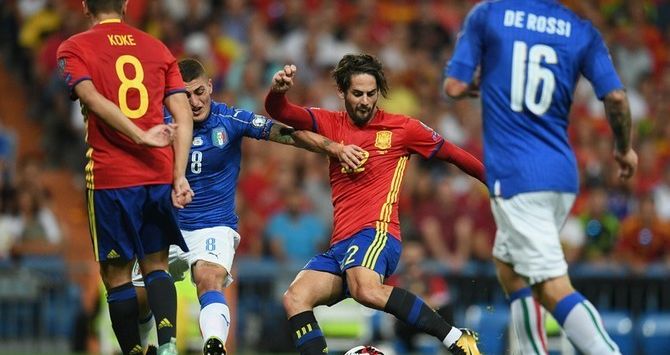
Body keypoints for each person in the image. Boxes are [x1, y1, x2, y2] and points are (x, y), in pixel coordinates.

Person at [132, 58, 365, 355]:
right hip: (168, 225)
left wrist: (333, 147)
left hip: (212, 225)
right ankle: (142, 344)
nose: (194, 101)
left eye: (200, 91)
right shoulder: (161, 124)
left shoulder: (230, 120)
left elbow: (284, 133)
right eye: (185, 95)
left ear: (211, 87)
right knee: (139, 298)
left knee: (209, 277)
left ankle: (214, 344)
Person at [443, 1, 638, 354]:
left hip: (519, 179)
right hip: (561, 175)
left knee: (551, 286)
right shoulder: (581, 31)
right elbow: (617, 97)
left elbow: (455, 85)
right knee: (509, 265)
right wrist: (624, 148)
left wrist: (477, 78)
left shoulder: (488, 15)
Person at [265, 54, 485, 355]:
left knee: (364, 289)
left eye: (371, 93)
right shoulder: (330, 123)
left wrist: (495, 185)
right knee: (295, 297)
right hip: (342, 246)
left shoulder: (403, 128)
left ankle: (457, 338)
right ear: (342, 92)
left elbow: (454, 154)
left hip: (377, 233)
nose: (365, 101)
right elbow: (279, 111)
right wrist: (278, 91)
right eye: (357, 94)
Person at [56, 1, 194, 354]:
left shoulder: (74, 47)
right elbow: (182, 113)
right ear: (127, 4)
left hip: (110, 176)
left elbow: (90, 97)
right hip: (158, 173)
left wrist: (138, 135)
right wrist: (179, 174)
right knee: (156, 265)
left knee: (116, 276)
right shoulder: (157, 47)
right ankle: (168, 346)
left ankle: (134, 350)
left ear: (86, 5)